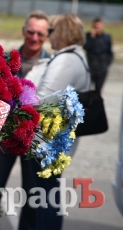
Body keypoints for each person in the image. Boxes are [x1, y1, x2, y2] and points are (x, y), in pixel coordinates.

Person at [0, 10, 51, 230]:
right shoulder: (9, 61)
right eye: (31, 31)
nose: (35, 37)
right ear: (23, 31)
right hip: (4, 136)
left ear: (47, 35)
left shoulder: (52, 64)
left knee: (32, 192)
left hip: (34, 139)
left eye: (40, 33)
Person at [29, 13, 90, 230]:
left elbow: (42, 98)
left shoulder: (67, 59)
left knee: (46, 198)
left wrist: (22, 97)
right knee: (45, 196)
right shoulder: (74, 56)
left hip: (49, 140)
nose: (48, 36)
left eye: (51, 31)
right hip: (53, 138)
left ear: (63, 32)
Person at [83, 17, 113, 93]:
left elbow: (110, 52)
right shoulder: (88, 36)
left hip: (102, 66)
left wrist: (107, 64)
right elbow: (86, 47)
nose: (97, 29)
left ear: (102, 26)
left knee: (98, 90)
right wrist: (92, 37)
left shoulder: (106, 37)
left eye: (98, 27)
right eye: (95, 27)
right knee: (86, 89)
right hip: (91, 65)